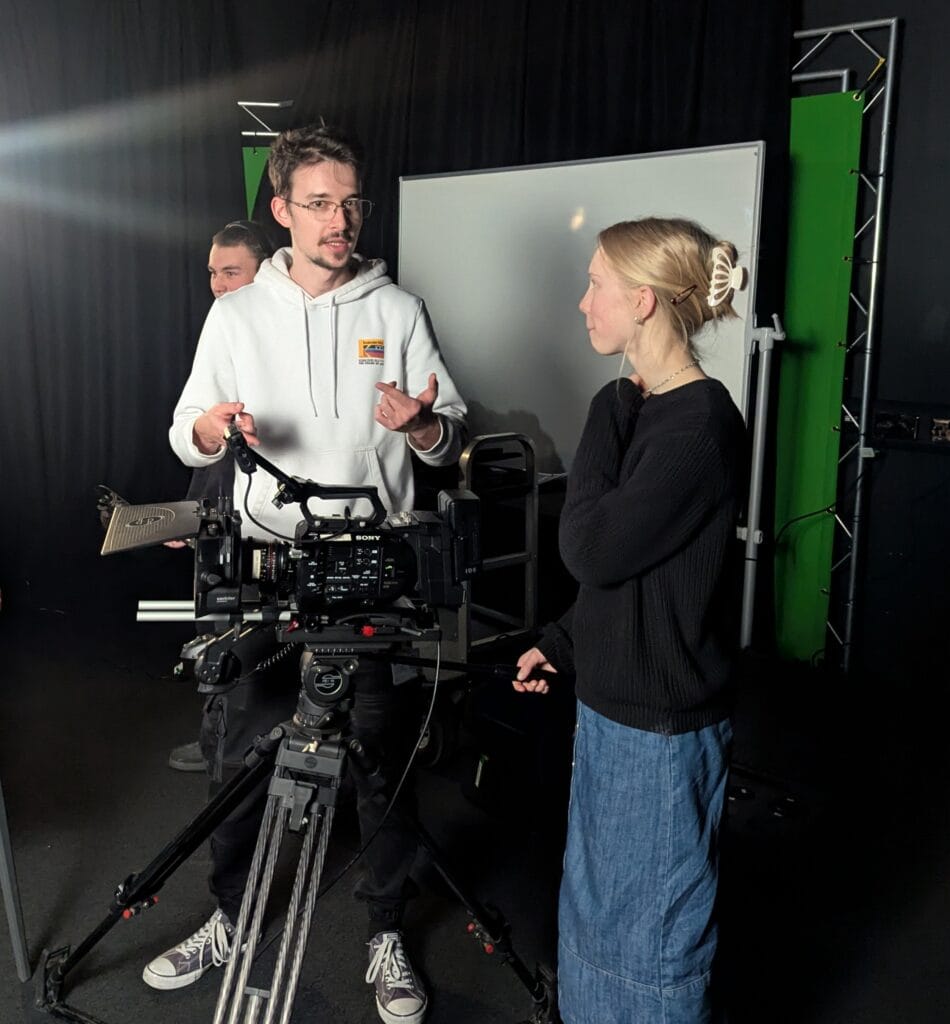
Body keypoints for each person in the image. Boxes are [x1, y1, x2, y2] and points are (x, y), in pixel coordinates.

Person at [146, 124, 466, 1024]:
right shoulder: (237, 315)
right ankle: (227, 917)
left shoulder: (397, 309)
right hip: (271, 573)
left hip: (374, 572)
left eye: (352, 201)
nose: (342, 219)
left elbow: (451, 435)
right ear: (282, 211)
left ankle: (386, 934)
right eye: (321, 204)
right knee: (242, 755)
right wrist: (209, 430)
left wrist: (422, 427)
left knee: (381, 760)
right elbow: (185, 428)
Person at [514, 218, 748, 1024]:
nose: (583, 304)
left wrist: (607, 407)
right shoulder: (644, 408)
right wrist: (563, 643)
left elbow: (590, 548)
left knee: (648, 948)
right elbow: (640, 581)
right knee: (598, 919)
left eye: (596, 286)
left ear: (643, 302)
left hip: (659, 735)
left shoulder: (696, 427)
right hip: (613, 711)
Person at [167, 220, 274, 774]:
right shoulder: (223, 327)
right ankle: (216, 744)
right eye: (213, 272)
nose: (217, 283)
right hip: (222, 514)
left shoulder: (277, 334)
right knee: (214, 630)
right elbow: (209, 435)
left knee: (246, 641)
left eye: (231, 271)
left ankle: (235, 750)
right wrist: (193, 514)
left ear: (266, 269)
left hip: (269, 528)